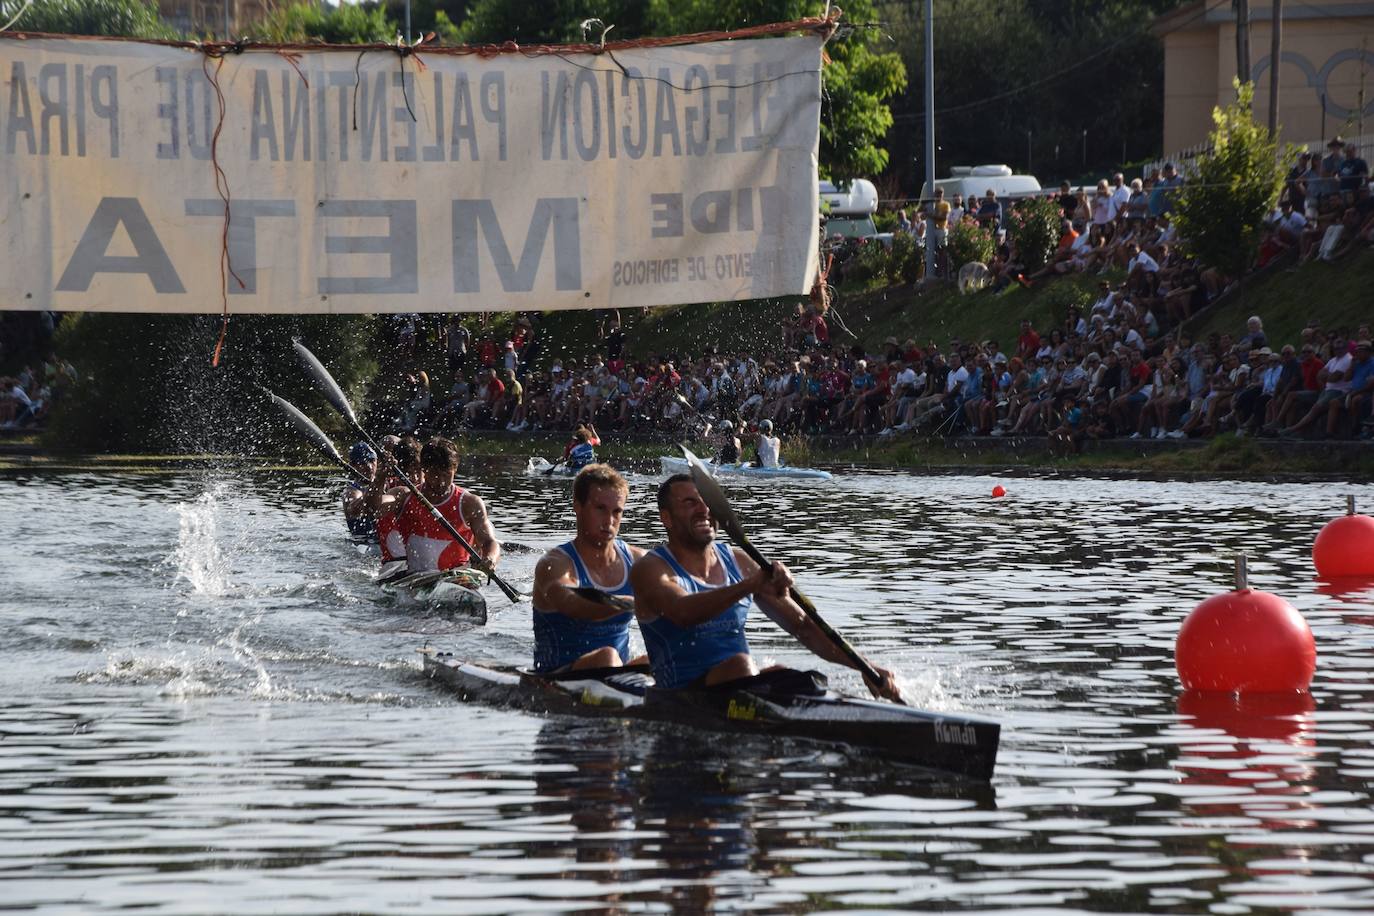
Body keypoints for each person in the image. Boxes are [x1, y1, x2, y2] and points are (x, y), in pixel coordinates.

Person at [630, 474, 901, 700]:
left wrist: (865, 667)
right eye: (690, 503)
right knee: (742, 664)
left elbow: (804, 626)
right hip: (681, 700)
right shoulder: (651, 568)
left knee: (786, 675)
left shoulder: (738, 561)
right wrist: (750, 585)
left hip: (740, 689)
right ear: (666, 518)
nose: (703, 510)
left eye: (707, 502)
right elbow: (683, 612)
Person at [530, 464, 647, 672]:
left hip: (618, 675)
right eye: (600, 508)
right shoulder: (555, 564)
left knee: (664, 657)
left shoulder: (639, 561)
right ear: (577, 505)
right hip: (557, 678)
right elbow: (572, 604)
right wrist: (629, 604)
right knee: (607, 657)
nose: (609, 521)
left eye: (617, 511)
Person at [397, 437, 500, 573]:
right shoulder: (405, 496)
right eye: (434, 474)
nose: (441, 481)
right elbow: (372, 507)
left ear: (455, 469)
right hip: (414, 576)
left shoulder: (469, 503)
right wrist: (381, 476)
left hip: (458, 577)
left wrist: (490, 559)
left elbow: (489, 542)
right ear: (423, 469)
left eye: (446, 474)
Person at [341, 442, 379, 540]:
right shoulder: (351, 492)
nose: (369, 467)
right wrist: (376, 485)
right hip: (362, 544)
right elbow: (355, 510)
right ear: (353, 466)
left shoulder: (386, 483)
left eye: (372, 460)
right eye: (363, 463)